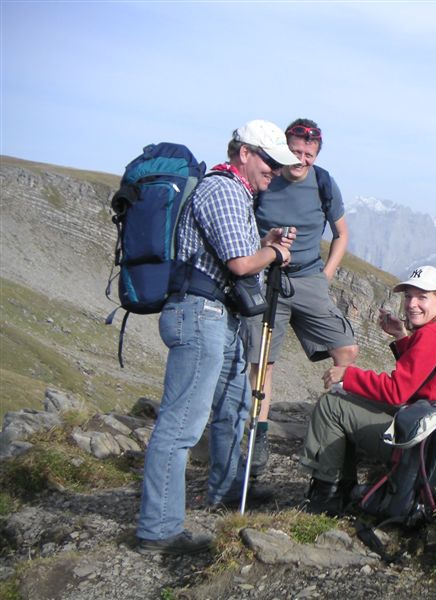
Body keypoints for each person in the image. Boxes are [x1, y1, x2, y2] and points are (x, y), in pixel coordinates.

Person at [136, 120, 298, 556]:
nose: (275, 170)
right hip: (200, 315)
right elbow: (241, 264)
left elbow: (233, 251)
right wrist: (274, 252)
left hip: (216, 317)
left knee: (234, 404)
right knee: (182, 423)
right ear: (244, 153)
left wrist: (264, 241)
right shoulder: (224, 190)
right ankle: (158, 530)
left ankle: (225, 490)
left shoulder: (236, 192)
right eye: (269, 160)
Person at [299, 265, 436, 515]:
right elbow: (422, 378)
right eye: (408, 296)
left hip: (423, 443)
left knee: (332, 405)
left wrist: (348, 374)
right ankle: (341, 488)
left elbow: (397, 392)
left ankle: (327, 494)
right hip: (435, 432)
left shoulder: (432, 336)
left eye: (422, 297)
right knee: (346, 398)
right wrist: (402, 336)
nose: (412, 304)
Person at [242, 118, 358, 477]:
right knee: (263, 362)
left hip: (309, 278)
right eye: (295, 151)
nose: (302, 159)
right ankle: (258, 437)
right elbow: (243, 226)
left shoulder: (323, 182)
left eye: (309, 154)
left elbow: (341, 233)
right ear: (284, 148)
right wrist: (263, 248)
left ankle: (334, 424)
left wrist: (326, 275)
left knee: (346, 349)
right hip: (267, 277)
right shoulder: (268, 178)